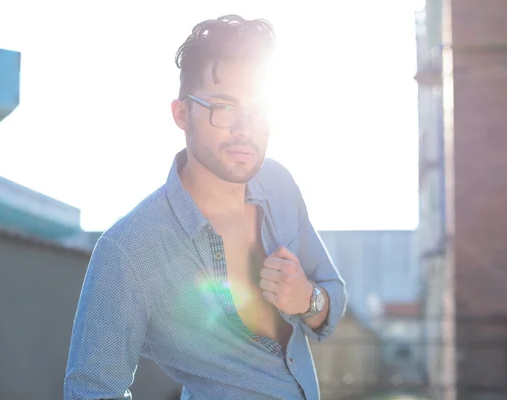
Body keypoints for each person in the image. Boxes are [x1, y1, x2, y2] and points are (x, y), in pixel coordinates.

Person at [64, 14, 347, 400]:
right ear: (182, 113)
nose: (244, 128)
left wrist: (306, 299)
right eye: (223, 107)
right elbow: (93, 390)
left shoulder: (279, 185)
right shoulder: (129, 249)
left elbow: (331, 302)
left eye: (258, 109)